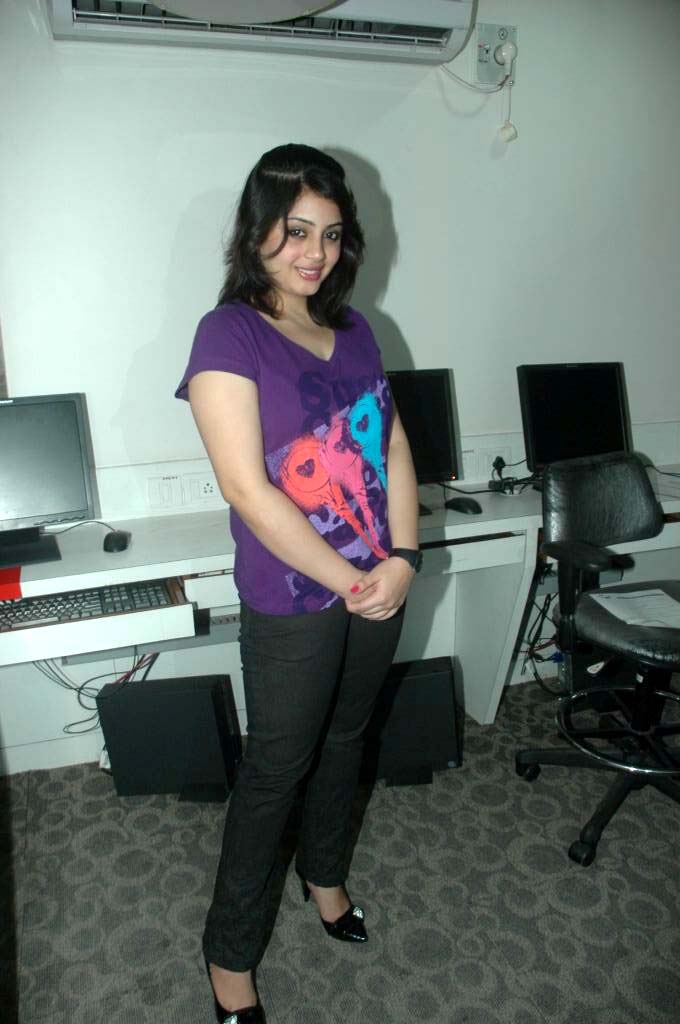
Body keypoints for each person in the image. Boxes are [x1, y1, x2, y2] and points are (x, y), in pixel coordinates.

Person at [175, 143, 419, 1023]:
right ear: (257, 232)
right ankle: (229, 958)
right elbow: (248, 489)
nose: (315, 252)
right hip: (295, 600)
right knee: (275, 771)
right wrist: (356, 579)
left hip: (377, 584)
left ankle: (325, 878)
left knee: (347, 741)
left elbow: (393, 445)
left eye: (331, 233)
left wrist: (404, 557)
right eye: (295, 230)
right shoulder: (228, 333)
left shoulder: (356, 331)